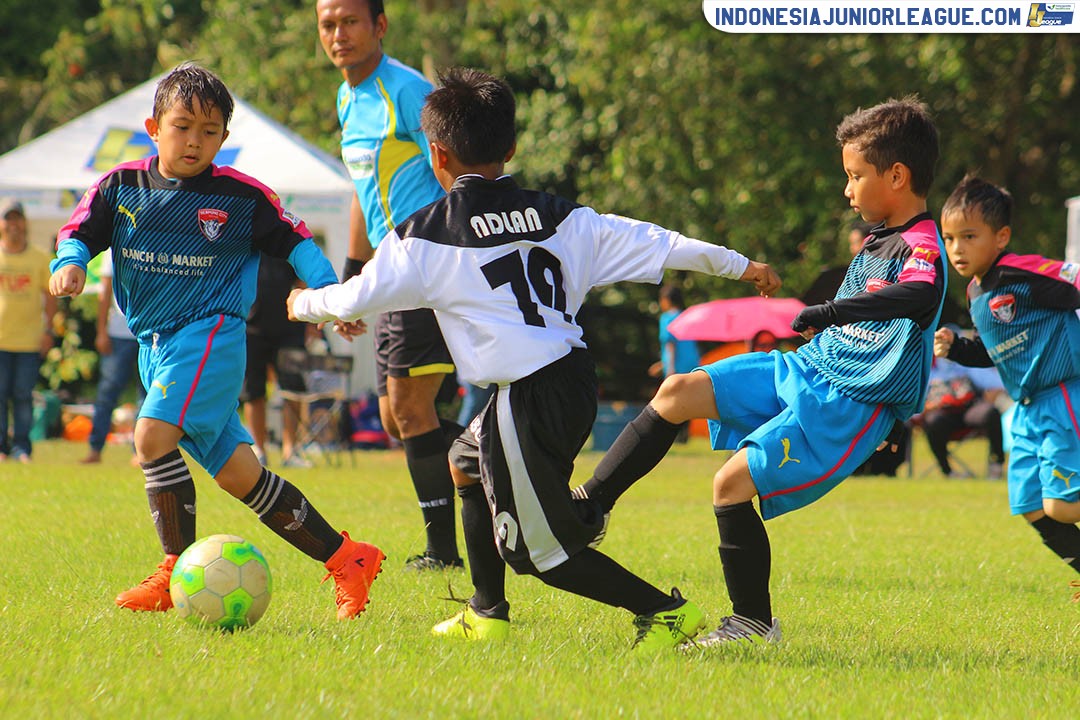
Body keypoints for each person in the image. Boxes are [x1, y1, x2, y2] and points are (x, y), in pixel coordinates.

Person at [287, 68, 782, 649]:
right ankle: (485, 610)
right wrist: (741, 265)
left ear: (436, 154)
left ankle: (667, 613)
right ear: (513, 147)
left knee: (538, 555)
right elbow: (661, 242)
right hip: (570, 380)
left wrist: (301, 303)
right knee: (464, 460)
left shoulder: (424, 236)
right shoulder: (563, 215)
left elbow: (350, 299)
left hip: (524, 398)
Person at [575, 96, 946, 646]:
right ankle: (589, 509)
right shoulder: (876, 238)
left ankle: (752, 623)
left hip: (847, 404)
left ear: (897, 175)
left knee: (730, 483)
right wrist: (830, 327)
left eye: (855, 176)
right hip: (806, 368)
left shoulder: (922, 242)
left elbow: (921, 290)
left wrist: (834, 311)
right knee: (678, 390)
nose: (847, 190)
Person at [49, 63, 384, 620]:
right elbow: (78, 231)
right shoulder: (121, 186)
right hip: (156, 347)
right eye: (182, 127)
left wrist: (330, 294)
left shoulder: (241, 197)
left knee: (150, 436)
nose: (194, 141)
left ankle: (173, 569)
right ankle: (348, 558)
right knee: (239, 476)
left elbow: (296, 241)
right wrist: (71, 263)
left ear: (225, 138)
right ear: (153, 127)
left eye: (209, 131)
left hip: (210, 337)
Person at [317, 0, 462, 570]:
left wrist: (452, 247)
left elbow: (456, 166)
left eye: (350, 21)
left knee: (408, 407)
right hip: (389, 271)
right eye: (328, 24)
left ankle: (444, 552)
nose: (339, 34)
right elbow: (362, 188)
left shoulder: (406, 90)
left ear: (379, 26)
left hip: (424, 264)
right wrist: (355, 277)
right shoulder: (347, 98)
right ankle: (504, 451)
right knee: (391, 415)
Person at [934, 175, 1080, 598]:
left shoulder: (1024, 271)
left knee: (1062, 505)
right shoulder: (976, 291)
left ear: (1001, 237)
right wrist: (958, 348)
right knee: (1032, 506)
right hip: (1027, 409)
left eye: (968, 236)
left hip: (1063, 395)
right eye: (949, 238)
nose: (956, 248)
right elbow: (993, 351)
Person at [241, 254, 311, 468]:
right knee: (254, 393)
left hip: (290, 330)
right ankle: (259, 450)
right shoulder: (246, 243)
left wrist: (307, 317)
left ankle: (291, 451)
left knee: (293, 390)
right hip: (252, 329)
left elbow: (302, 282)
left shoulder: (285, 242)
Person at [0, 199, 56, 463]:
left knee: (23, 396)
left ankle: (22, 448)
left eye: (17, 219)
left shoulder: (39, 258)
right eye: (8, 219)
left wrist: (49, 331)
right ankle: (1, 448)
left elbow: (51, 297)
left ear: (24, 223)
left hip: (28, 340)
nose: (13, 225)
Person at [81, 251, 144, 465]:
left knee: (147, 397)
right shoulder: (114, 248)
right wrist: (101, 330)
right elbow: (105, 290)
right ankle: (95, 449)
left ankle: (141, 451)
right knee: (107, 393)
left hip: (149, 334)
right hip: (118, 333)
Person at [920, 354, 1005, 479]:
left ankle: (996, 463)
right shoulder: (928, 371)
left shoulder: (968, 365)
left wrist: (990, 397)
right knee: (932, 421)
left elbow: (999, 384)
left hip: (969, 410)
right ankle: (948, 471)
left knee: (990, 412)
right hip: (944, 415)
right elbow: (917, 407)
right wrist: (928, 407)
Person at [649, 285, 700, 443]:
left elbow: (670, 344)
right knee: (689, 400)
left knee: (672, 401)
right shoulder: (687, 316)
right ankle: (684, 435)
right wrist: (662, 364)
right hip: (692, 363)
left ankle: (674, 436)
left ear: (666, 300)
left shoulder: (667, 318)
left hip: (676, 366)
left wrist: (669, 368)